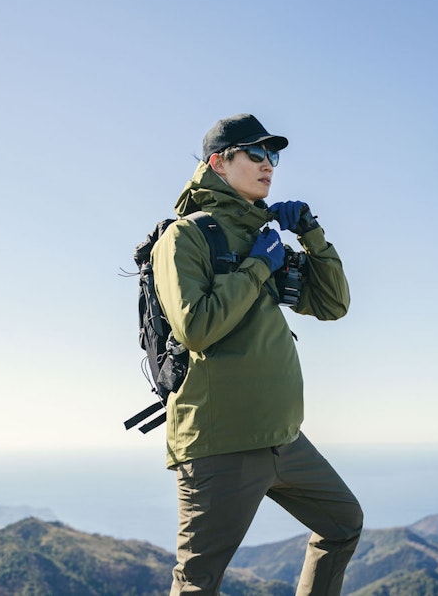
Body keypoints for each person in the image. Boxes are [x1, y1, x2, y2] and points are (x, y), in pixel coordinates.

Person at [151, 113, 363, 596]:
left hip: (283, 439)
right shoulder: (185, 237)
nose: (270, 165)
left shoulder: (262, 234)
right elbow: (196, 327)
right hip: (220, 441)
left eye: (275, 155)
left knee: (342, 522)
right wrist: (256, 267)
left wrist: (310, 233)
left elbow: (333, 305)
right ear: (218, 163)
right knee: (198, 582)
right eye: (256, 154)